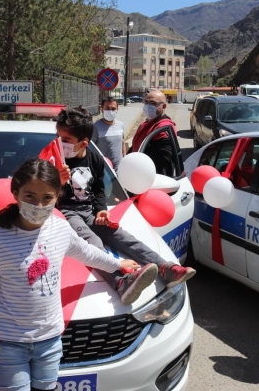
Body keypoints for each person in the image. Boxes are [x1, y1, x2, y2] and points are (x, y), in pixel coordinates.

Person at [0, 158, 141, 391]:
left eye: (47, 197)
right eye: (30, 196)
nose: (38, 205)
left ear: (58, 196)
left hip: (50, 343)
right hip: (8, 344)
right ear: (15, 193)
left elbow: (89, 253)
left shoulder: (61, 229)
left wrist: (117, 264)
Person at [57, 107, 195, 305]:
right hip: (66, 214)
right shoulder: (54, 158)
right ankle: (121, 282)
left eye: (66, 140)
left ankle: (166, 268)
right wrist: (57, 181)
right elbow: (43, 194)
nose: (61, 144)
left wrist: (101, 210)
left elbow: (97, 189)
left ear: (84, 143)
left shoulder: (94, 158)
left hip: (89, 212)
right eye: (59, 138)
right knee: (93, 241)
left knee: (121, 235)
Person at [130, 89, 179, 176]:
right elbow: (135, 147)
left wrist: (142, 172)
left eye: (153, 103)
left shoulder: (163, 127)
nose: (148, 106)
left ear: (163, 106)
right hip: (137, 174)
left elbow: (164, 158)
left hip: (152, 178)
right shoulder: (145, 124)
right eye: (146, 102)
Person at [91, 97, 126, 172]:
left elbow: (122, 143)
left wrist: (125, 160)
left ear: (117, 109)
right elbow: (91, 149)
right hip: (105, 172)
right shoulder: (95, 127)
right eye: (107, 108)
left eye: (113, 109)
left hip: (120, 170)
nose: (110, 111)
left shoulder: (121, 125)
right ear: (101, 109)